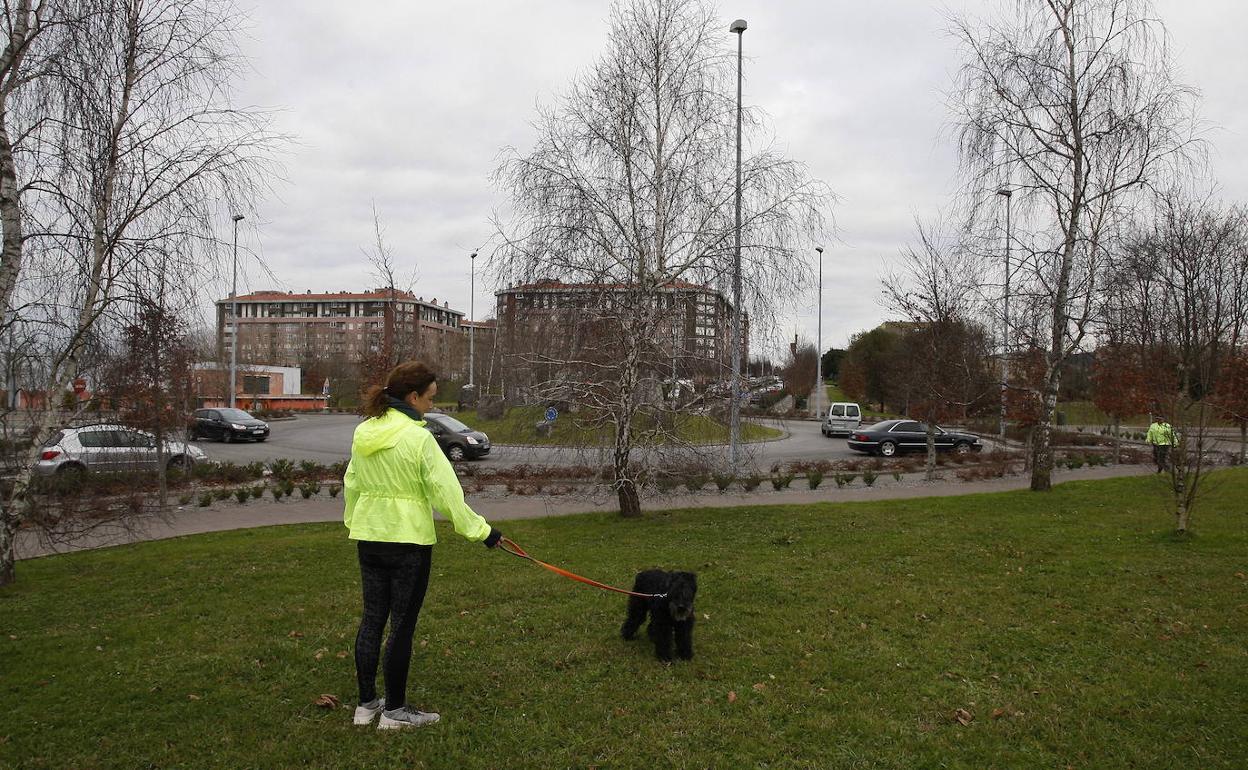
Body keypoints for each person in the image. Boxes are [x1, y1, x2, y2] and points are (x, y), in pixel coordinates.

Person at [343, 361, 503, 730]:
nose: (433, 405)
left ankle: (366, 705)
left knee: (372, 620)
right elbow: (447, 494)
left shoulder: (363, 432)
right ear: (413, 397)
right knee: (400, 626)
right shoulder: (419, 439)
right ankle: (394, 711)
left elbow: (351, 483)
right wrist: (482, 532)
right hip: (408, 545)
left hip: (369, 538)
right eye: (430, 398)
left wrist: (355, 520)